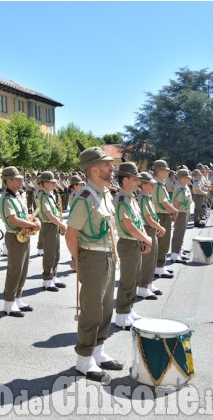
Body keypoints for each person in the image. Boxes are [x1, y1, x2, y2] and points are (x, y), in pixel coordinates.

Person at [65, 147, 123, 383]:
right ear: (94, 169)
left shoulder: (105, 193)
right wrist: (80, 261)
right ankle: (84, 359)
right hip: (93, 257)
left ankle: (98, 351)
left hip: (108, 256)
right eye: (108, 165)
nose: (112, 168)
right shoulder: (85, 197)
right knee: (91, 310)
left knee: (106, 307)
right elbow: (71, 234)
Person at [112, 163, 152, 330]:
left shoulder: (130, 197)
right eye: (135, 179)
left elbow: (138, 222)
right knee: (127, 280)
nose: (138, 182)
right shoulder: (122, 199)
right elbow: (128, 225)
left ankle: (128, 309)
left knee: (134, 278)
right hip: (127, 243)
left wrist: (143, 239)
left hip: (134, 242)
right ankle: (121, 315)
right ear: (126, 180)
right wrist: (146, 239)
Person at [0, 166, 41, 317]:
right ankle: (9, 303)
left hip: (23, 235)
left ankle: (18, 298)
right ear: (8, 181)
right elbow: (13, 220)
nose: (20, 182)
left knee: (23, 270)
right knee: (14, 271)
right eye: (17, 179)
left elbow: (25, 215)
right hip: (14, 236)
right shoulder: (6, 198)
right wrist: (32, 225)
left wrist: (34, 219)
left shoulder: (17, 196)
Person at [36, 171, 68, 292]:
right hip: (48, 226)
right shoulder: (43, 196)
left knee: (56, 253)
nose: (55, 184)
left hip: (54, 225)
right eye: (52, 182)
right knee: (49, 254)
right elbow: (49, 215)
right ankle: (47, 280)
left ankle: (54, 276)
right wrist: (62, 224)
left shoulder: (49, 194)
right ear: (44, 183)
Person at [138, 172, 166, 300]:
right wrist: (159, 227)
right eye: (150, 184)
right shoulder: (142, 198)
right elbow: (148, 218)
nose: (153, 186)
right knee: (147, 260)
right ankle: (143, 288)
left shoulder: (147, 197)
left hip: (152, 229)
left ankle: (149, 284)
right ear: (142, 185)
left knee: (153, 258)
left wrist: (158, 226)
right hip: (147, 229)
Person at [151, 160, 179, 279]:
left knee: (161, 242)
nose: (168, 172)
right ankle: (159, 268)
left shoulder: (158, 184)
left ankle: (159, 266)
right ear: (160, 171)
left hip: (160, 214)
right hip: (161, 215)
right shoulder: (158, 185)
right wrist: (174, 211)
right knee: (163, 242)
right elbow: (164, 203)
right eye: (166, 170)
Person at [170, 169, 193, 264]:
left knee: (181, 232)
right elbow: (175, 204)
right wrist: (174, 215)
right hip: (180, 213)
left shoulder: (184, 187)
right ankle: (175, 254)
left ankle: (178, 251)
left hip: (185, 211)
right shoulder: (180, 189)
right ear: (182, 178)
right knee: (178, 233)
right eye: (187, 178)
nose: (189, 180)